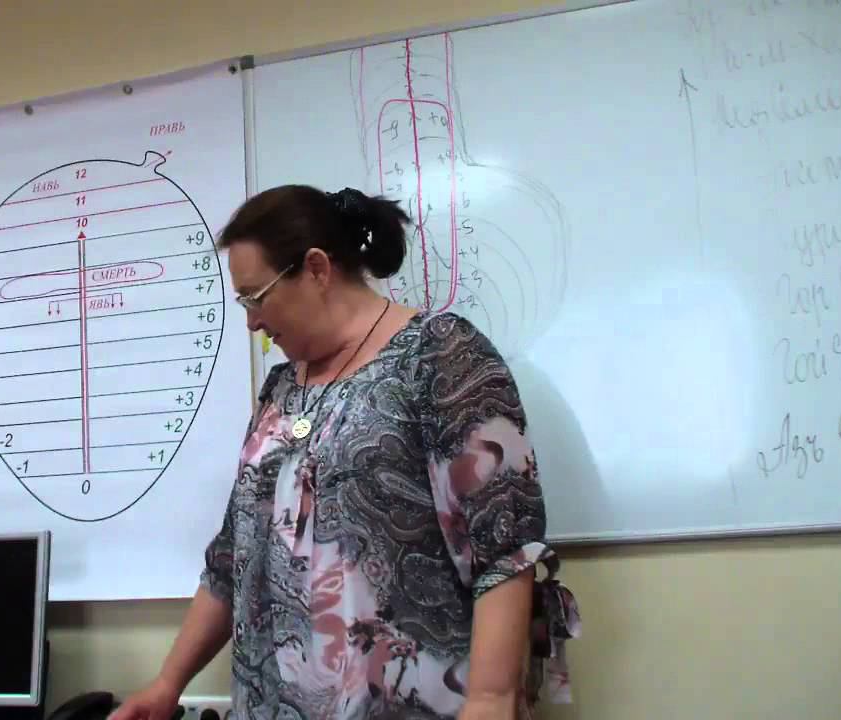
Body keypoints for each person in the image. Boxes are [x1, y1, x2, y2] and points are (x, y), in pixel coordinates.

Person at [112, 185, 580, 720]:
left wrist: (491, 700)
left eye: (256, 297)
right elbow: (231, 556)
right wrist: (167, 683)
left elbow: (504, 550)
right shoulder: (281, 389)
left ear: (316, 269)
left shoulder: (440, 356)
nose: (252, 321)